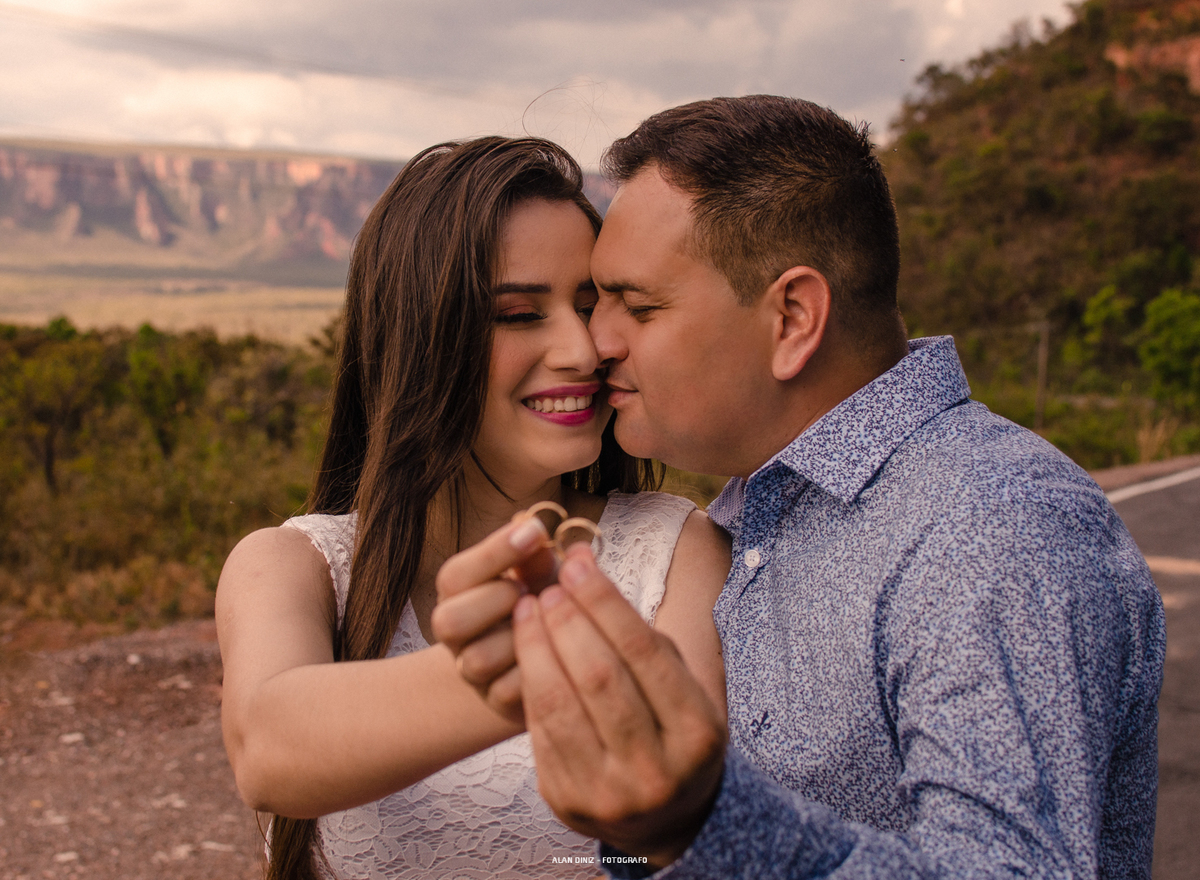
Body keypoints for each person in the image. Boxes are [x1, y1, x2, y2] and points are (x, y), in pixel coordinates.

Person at [434, 97, 1166, 878]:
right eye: (595, 300)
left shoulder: (992, 531)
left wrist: (699, 822)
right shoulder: (763, 516)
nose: (594, 344)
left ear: (792, 318)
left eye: (637, 307)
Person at [215, 136, 730, 880]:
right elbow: (270, 751)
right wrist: (546, 659)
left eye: (591, 306)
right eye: (519, 314)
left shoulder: (676, 549)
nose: (583, 350)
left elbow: (682, 839)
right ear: (421, 339)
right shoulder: (294, 565)